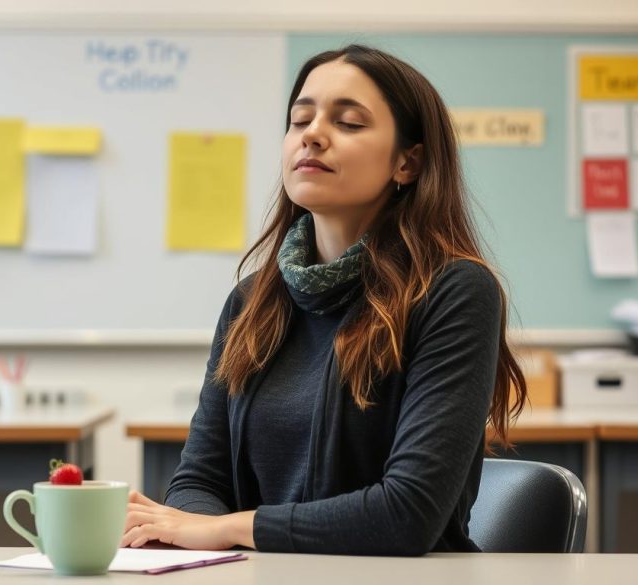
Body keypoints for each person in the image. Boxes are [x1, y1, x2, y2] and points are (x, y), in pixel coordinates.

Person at [121, 44, 527, 555]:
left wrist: (224, 530)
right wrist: (197, 527)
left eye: (349, 123)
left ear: (408, 162)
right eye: (299, 119)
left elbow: (406, 516)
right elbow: (200, 482)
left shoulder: (454, 291)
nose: (311, 134)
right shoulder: (250, 302)